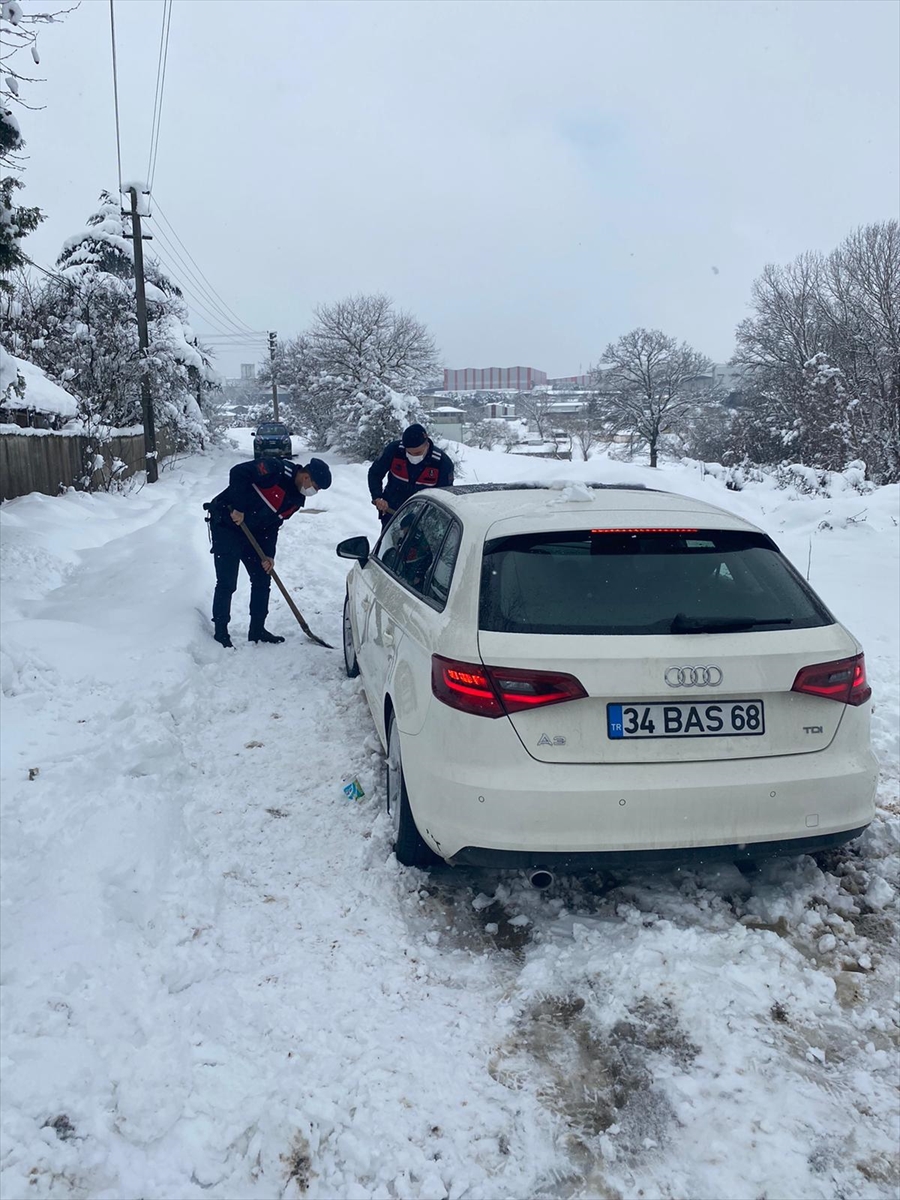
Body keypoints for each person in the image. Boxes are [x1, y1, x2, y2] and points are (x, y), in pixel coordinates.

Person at [204, 456, 332, 648]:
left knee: (262, 578)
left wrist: (269, 555)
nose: (314, 491)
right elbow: (238, 472)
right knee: (227, 581)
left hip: (252, 533)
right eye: (316, 486)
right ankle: (221, 631)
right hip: (226, 523)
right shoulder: (275, 469)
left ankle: (257, 629)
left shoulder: (295, 501)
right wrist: (239, 508)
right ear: (306, 476)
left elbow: (273, 525)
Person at [367, 423, 454, 526]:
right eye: (409, 453)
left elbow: (443, 496)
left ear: (427, 443)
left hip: (423, 519)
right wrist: (377, 497)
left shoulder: (442, 463)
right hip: (391, 512)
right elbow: (375, 473)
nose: (413, 456)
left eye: (417, 453)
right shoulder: (394, 450)